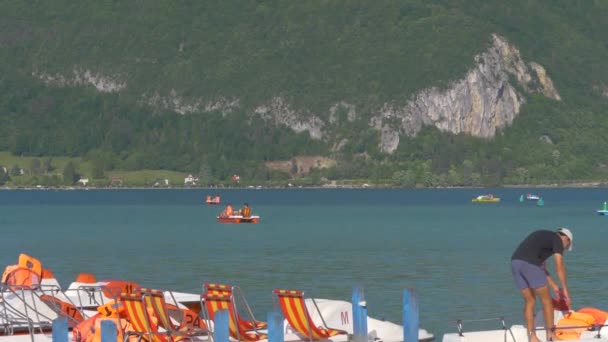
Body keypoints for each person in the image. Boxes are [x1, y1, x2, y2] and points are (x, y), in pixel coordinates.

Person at [511, 228, 573, 342]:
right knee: (547, 301)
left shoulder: (544, 237)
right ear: (566, 239)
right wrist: (565, 291)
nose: (563, 248)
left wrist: (555, 287)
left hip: (515, 262)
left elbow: (541, 268)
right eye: (566, 246)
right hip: (530, 264)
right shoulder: (558, 241)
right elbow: (559, 267)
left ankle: (532, 337)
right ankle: (551, 336)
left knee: (530, 301)